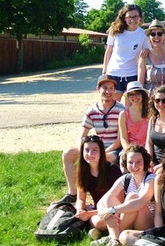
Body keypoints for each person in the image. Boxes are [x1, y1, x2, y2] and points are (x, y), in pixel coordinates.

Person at [53, 74, 124, 206]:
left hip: (113, 148)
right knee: (68, 153)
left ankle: (104, 194)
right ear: (98, 89)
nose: (108, 91)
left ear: (115, 90)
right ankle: (73, 193)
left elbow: (119, 140)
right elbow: (83, 135)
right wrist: (83, 150)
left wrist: (101, 151)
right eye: (105, 88)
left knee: (105, 159)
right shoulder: (92, 110)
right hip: (94, 146)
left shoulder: (121, 110)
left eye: (111, 88)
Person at [92, 145, 156, 246]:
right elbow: (102, 202)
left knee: (132, 197)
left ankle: (113, 237)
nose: (134, 166)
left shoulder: (151, 179)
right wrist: (106, 214)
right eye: (130, 162)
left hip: (147, 222)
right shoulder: (125, 179)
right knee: (108, 199)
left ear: (145, 162)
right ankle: (115, 239)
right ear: (125, 163)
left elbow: (140, 202)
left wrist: (111, 211)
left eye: (138, 162)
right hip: (130, 219)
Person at [73, 135, 122, 237]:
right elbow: (81, 198)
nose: (90, 154)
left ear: (101, 152)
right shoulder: (83, 171)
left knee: (102, 220)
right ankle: (103, 231)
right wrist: (80, 210)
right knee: (96, 221)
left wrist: (89, 214)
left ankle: (106, 233)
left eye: (94, 150)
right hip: (98, 210)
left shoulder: (113, 170)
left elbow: (120, 202)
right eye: (86, 150)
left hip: (116, 209)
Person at [102, 4, 150, 100]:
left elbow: (146, 52)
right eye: (129, 17)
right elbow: (109, 51)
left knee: (130, 105)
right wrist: (104, 71)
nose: (133, 20)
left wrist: (147, 50)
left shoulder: (144, 34)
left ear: (140, 17)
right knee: (114, 104)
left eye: (135, 16)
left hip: (132, 74)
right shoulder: (115, 31)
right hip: (114, 73)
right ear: (124, 18)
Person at [143, 19, 165, 92]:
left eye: (159, 33)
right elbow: (140, 83)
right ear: (149, 37)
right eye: (153, 34)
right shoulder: (144, 56)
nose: (156, 36)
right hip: (150, 99)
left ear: (164, 36)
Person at [146, 86, 165, 168]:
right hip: (154, 162)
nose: (160, 104)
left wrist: (161, 166)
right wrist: (149, 161)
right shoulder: (153, 119)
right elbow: (149, 143)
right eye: (157, 100)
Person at [119, 81, 150, 152]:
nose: (135, 97)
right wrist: (130, 151)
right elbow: (123, 138)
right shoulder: (123, 114)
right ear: (128, 97)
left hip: (147, 149)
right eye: (131, 95)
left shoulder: (150, 113)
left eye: (137, 94)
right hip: (129, 149)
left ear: (142, 95)